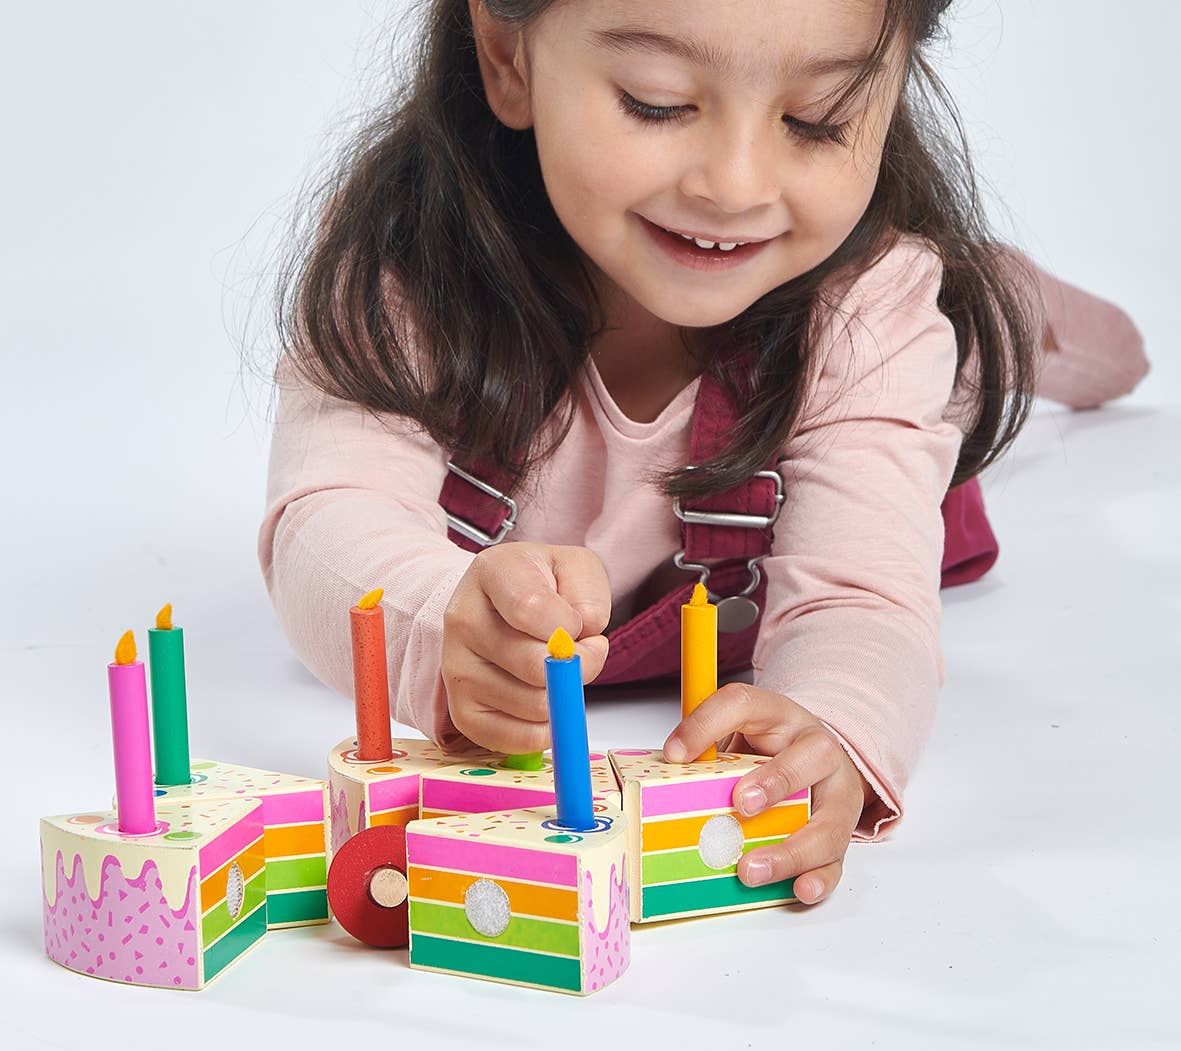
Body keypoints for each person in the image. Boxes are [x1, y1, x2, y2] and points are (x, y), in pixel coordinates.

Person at [258, 0, 1148, 906]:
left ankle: (1029, 308)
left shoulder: (873, 310)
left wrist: (833, 723)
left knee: (995, 317)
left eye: (816, 120)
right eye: (656, 102)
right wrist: (443, 621)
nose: (734, 184)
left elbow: (861, 592)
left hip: (914, 358)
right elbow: (326, 515)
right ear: (506, 53)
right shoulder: (405, 264)